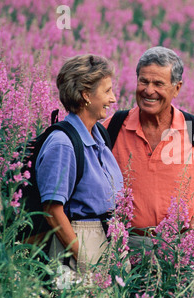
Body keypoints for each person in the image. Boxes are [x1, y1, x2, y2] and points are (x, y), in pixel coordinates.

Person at [102, 47, 194, 296]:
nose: (148, 90)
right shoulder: (114, 126)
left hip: (180, 248)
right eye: (143, 81)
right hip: (122, 247)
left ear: (177, 88)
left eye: (158, 83)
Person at [35, 54, 123, 280]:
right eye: (107, 91)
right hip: (79, 243)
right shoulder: (63, 143)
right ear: (86, 95)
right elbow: (52, 211)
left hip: (106, 240)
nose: (113, 99)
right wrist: (83, 260)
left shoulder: (99, 134)